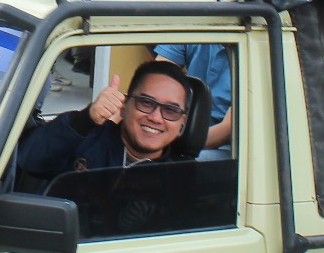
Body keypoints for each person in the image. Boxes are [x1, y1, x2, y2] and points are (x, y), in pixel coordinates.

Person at [16, 61, 193, 182]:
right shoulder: (86, 139)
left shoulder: (182, 181)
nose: (155, 117)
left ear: (182, 124)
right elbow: (30, 159)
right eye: (146, 103)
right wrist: (85, 119)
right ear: (124, 106)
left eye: (170, 110)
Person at [153, 42, 231, 157]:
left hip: (229, 144)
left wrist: (169, 144)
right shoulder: (195, 33)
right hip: (183, 127)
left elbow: (227, 130)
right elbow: (157, 79)